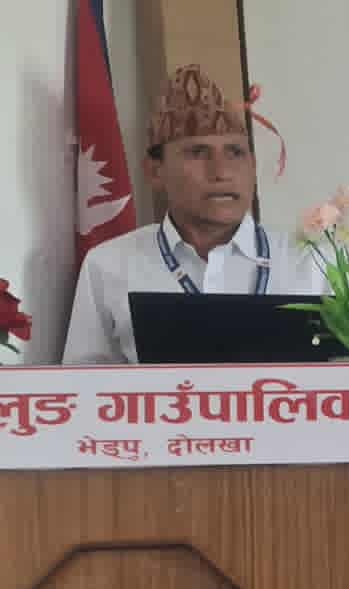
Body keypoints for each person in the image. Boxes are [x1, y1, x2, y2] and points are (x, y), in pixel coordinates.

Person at [65, 64, 326, 364]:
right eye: (198, 153)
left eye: (235, 153)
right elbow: (83, 385)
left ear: (253, 167)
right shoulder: (108, 265)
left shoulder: (311, 262)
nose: (222, 172)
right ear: (155, 171)